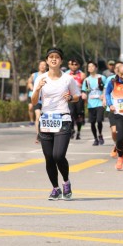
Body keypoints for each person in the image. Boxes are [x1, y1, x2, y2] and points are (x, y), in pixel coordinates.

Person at [32, 47, 80, 200]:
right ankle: (55, 188)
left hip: (63, 118)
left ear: (61, 61)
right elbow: (34, 101)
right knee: (49, 157)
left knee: (58, 155)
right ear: (47, 60)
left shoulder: (67, 79)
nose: (53, 59)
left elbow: (77, 96)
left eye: (57, 57)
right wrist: (37, 89)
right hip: (46, 120)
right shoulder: (41, 78)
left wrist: (70, 98)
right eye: (51, 57)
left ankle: (66, 181)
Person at [81, 61, 106, 145]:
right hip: (91, 104)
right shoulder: (87, 80)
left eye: (92, 66)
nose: (90, 68)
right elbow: (84, 90)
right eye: (89, 67)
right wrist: (84, 94)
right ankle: (95, 138)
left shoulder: (101, 78)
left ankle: (100, 135)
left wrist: (103, 95)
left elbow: (106, 88)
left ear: (96, 68)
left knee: (99, 120)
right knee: (92, 122)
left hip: (100, 103)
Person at [64, 58, 86, 140]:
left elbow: (86, 86)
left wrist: (84, 91)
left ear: (78, 65)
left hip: (79, 97)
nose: (74, 66)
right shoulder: (66, 74)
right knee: (71, 113)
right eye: (72, 64)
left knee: (79, 115)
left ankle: (79, 132)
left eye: (76, 64)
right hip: (70, 97)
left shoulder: (82, 74)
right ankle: (72, 129)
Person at [27, 60, 47, 142]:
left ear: (46, 66)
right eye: (41, 65)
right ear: (38, 66)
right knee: (38, 117)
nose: (42, 66)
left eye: (44, 65)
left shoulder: (48, 75)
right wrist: (32, 87)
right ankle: (38, 134)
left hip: (46, 99)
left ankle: (46, 134)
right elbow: (29, 82)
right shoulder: (34, 75)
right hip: (37, 99)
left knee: (45, 118)